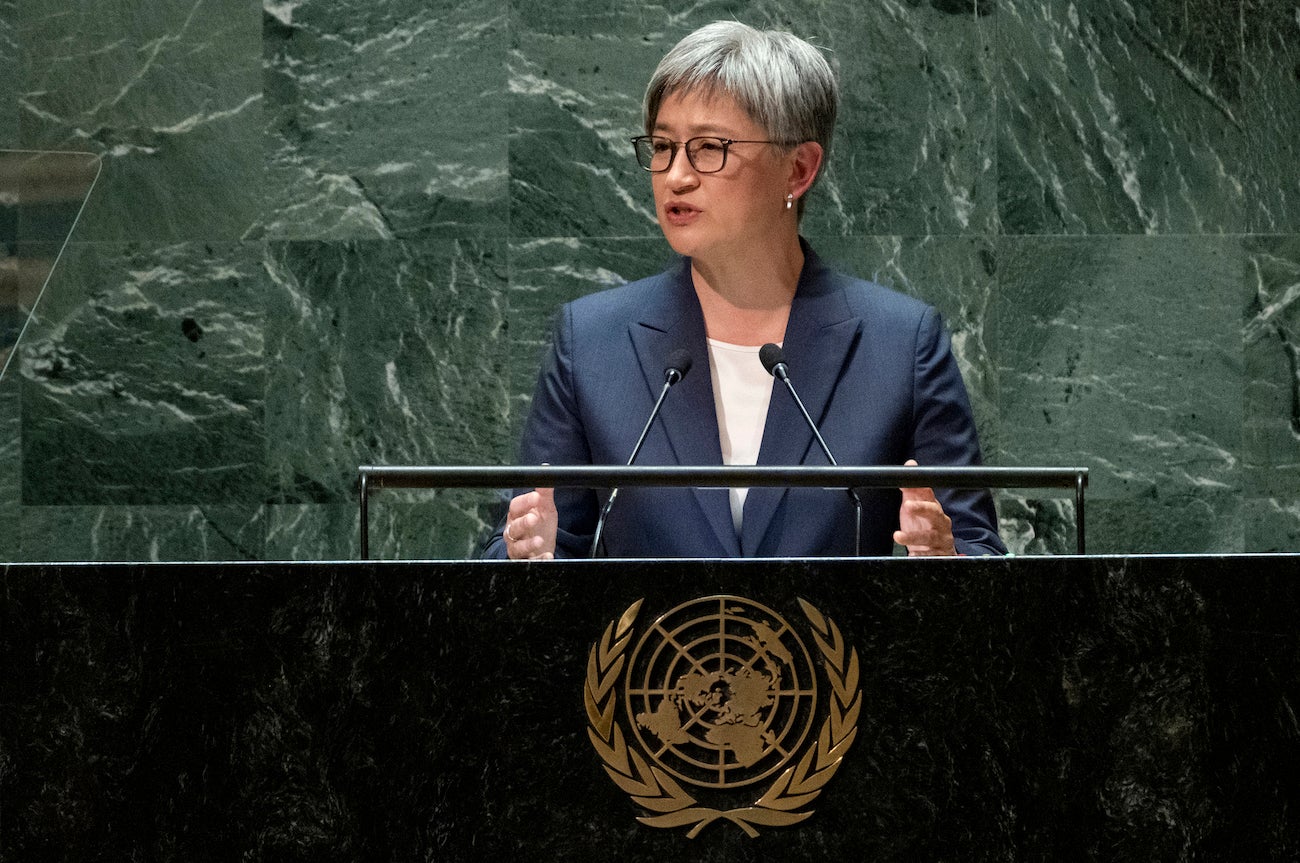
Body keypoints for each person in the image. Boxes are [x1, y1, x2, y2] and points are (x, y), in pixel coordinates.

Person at [483, 21, 1004, 560]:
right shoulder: (592, 342)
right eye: (663, 146)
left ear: (798, 169)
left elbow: (981, 555)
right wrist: (524, 555)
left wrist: (947, 559)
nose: (676, 176)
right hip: (653, 647)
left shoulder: (899, 345)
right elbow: (525, 552)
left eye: (709, 148)